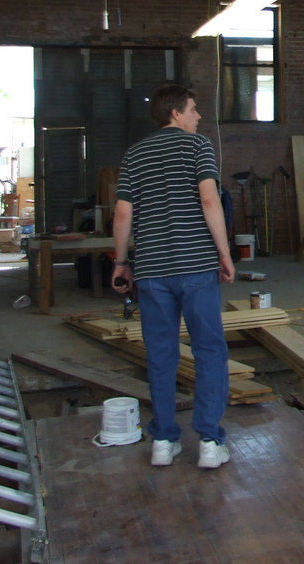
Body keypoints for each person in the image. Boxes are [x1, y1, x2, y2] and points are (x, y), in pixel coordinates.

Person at [112, 84, 236, 469]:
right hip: (196, 265)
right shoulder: (197, 147)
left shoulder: (133, 155)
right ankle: (210, 443)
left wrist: (120, 262)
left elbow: (122, 214)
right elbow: (210, 198)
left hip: (150, 271)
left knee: (162, 355)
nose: (199, 116)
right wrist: (224, 252)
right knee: (209, 351)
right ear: (176, 114)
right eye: (194, 110)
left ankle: (163, 442)